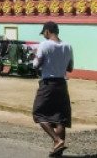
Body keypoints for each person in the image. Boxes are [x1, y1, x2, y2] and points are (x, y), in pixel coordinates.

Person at [32, 21, 74, 157]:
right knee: (60, 118)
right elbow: (70, 68)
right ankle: (58, 152)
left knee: (38, 113)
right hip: (62, 84)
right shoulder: (67, 46)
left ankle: (57, 140)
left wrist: (35, 54)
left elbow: (35, 65)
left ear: (47, 31)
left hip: (48, 84)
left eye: (44, 33)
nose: (44, 35)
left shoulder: (44, 45)